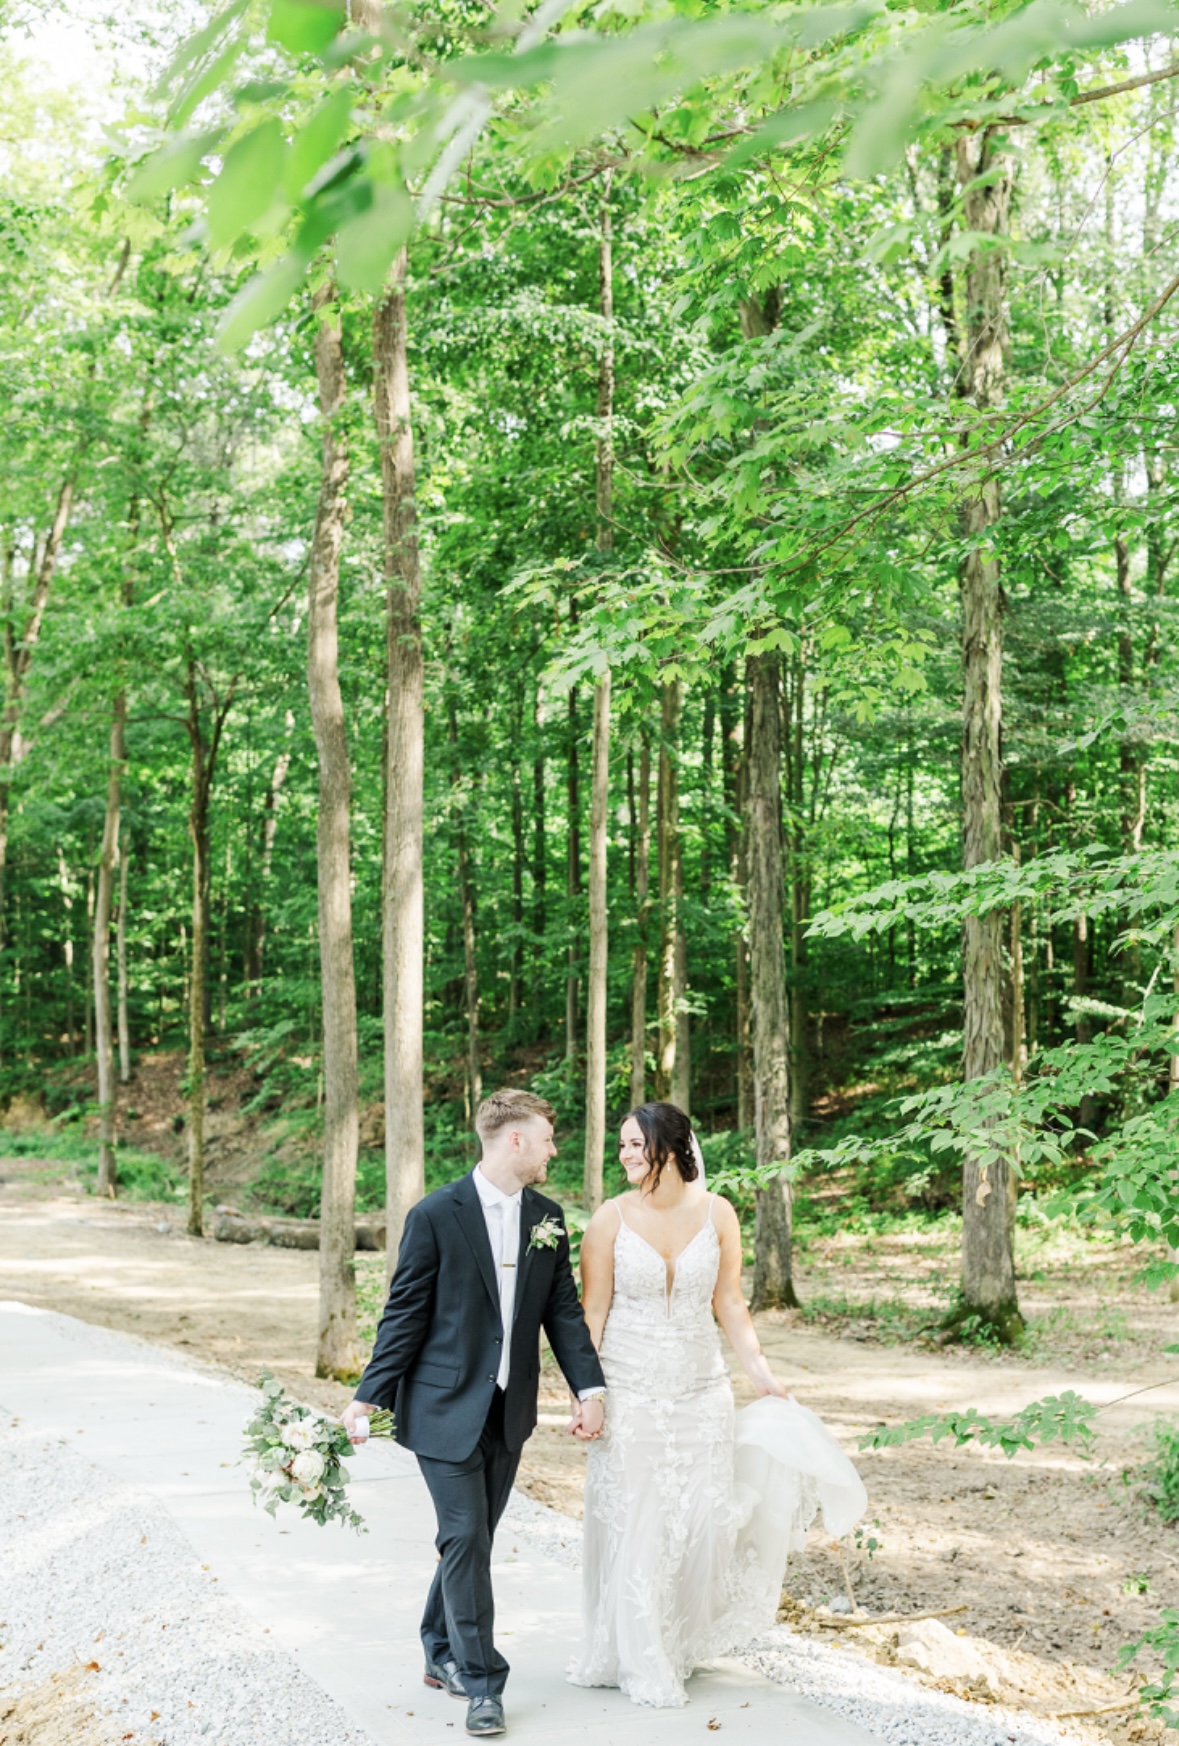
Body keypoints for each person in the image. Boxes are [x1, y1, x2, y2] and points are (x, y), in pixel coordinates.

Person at [568, 1100, 866, 1709]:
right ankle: (641, 1656)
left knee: (703, 1525)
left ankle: (676, 1641)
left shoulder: (719, 1213)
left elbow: (729, 1301)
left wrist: (762, 1375)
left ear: (670, 1147)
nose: (624, 1155)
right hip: (631, 1387)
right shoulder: (608, 1219)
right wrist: (586, 1394)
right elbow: (592, 1312)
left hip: (703, 1390)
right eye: (621, 1145)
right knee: (639, 1519)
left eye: (635, 1144)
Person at [344, 1089, 606, 1739]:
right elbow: (404, 1314)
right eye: (546, 1138)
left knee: (471, 1539)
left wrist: (589, 1389)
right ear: (514, 1140)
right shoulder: (436, 1214)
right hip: (441, 1407)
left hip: (509, 1411)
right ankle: (482, 1682)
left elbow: (562, 1312)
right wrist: (369, 1395)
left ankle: (437, 1647)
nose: (552, 1150)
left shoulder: (547, 1218)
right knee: (465, 1537)